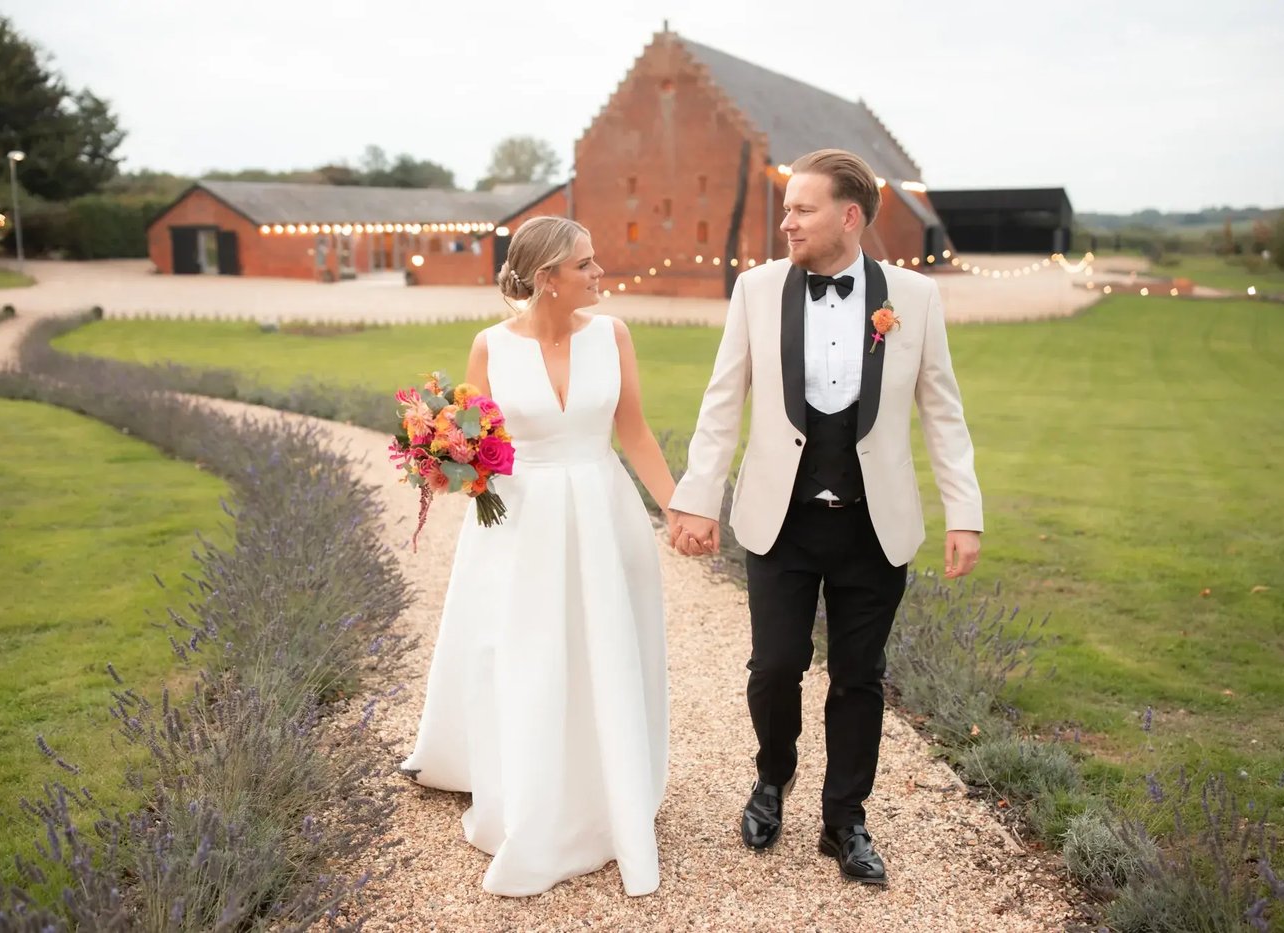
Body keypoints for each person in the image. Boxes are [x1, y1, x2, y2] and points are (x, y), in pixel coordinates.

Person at [668, 149, 984, 886]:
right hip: (781, 519)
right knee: (775, 666)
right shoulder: (756, 290)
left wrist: (963, 513)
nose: (787, 222)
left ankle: (845, 820)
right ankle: (772, 777)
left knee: (859, 676)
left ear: (850, 215)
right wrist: (697, 497)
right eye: (786, 209)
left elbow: (943, 411)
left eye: (802, 209)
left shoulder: (914, 297)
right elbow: (723, 400)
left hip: (876, 527)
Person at [400, 216, 676, 897]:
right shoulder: (489, 347)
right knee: (525, 657)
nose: (599, 271)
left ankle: (610, 784)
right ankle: (531, 799)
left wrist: (679, 506)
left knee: (607, 649)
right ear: (548, 276)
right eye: (586, 263)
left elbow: (633, 431)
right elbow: (474, 440)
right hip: (520, 525)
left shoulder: (613, 336)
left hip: (603, 512)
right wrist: (446, 461)